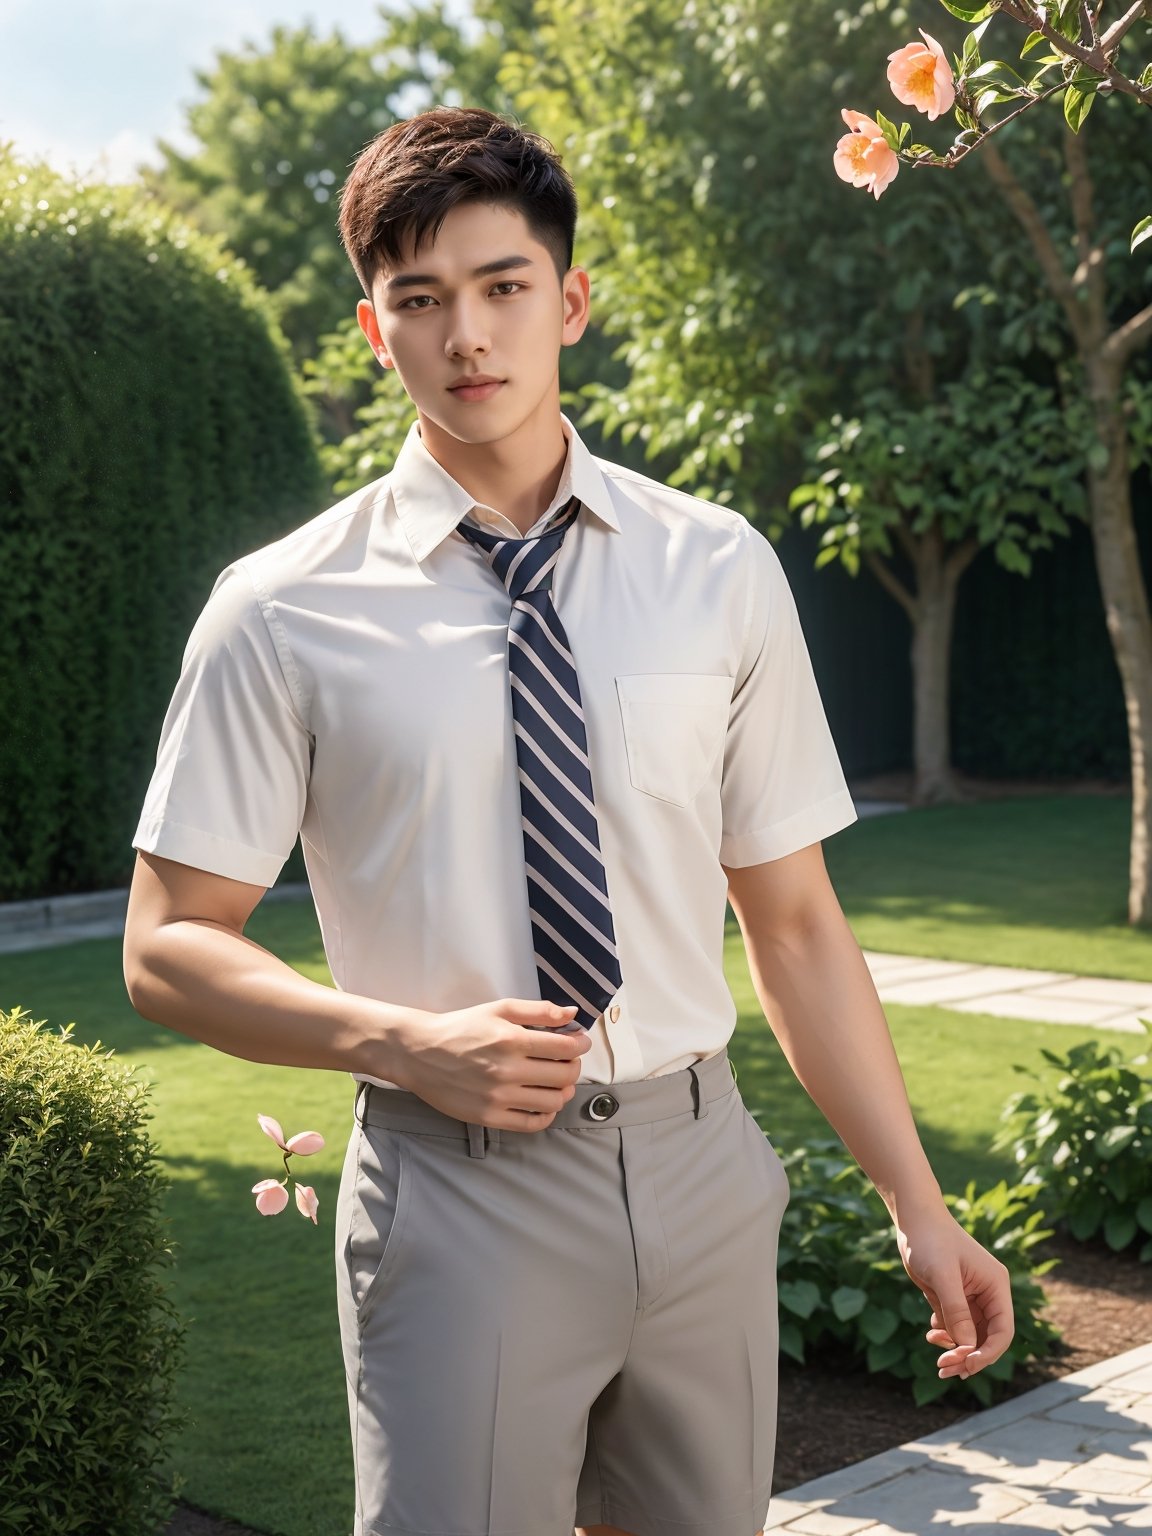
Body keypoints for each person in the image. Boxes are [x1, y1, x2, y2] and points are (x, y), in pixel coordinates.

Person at [123, 104, 1014, 1536]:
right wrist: (400, 1043)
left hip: (704, 1170)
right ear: (376, 332)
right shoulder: (279, 610)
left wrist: (918, 1204)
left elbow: (791, 923)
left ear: (571, 301)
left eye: (502, 287)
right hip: (455, 1190)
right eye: (421, 301)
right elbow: (167, 946)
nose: (467, 335)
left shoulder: (718, 569)